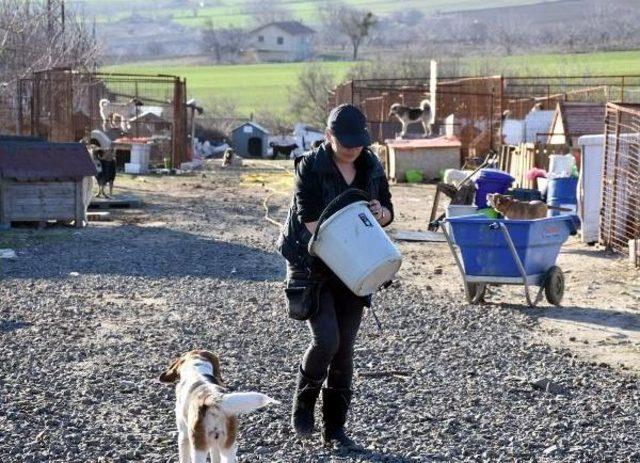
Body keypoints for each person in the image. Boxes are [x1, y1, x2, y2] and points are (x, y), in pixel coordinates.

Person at [277, 104, 394, 448]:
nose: (353, 148)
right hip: (311, 262)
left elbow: (387, 210)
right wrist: (349, 249)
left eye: (359, 142)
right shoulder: (310, 165)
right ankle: (303, 407)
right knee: (326, 340)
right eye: (346, 142)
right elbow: (309, 218)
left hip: (357, 265)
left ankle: (336, 429)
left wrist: (380, 213)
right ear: (328, 136)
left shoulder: (371, 164)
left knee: (345, 349)